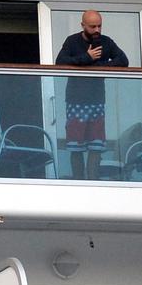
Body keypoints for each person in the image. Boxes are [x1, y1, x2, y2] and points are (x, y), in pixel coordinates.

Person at [55, 10, 129, 180]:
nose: (97, 30)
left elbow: (123, 61)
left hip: (97, 100)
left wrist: (100, 66)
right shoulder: (72, 41)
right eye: (92, 26)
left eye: (99, 26)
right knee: (76, 147)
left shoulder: (106, 42)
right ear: (83, 25)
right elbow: (60, 63)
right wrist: (86, 58)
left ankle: (93, 182)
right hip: (75, 100)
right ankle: (79, 182)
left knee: (96, 146)